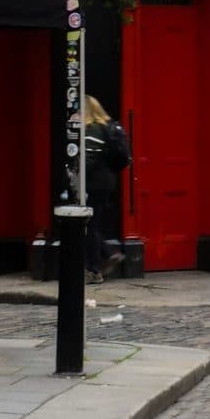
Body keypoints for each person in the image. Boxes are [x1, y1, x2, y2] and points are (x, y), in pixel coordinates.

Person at [83, 95, 128, 284]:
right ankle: (107, 254)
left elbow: (88, 160)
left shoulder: (93, 129)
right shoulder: (106, 127)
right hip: (106, 182)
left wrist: (75, 181)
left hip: (95, 184)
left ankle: (93, 269)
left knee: (89, 226)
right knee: (92, 224)